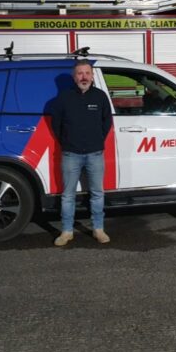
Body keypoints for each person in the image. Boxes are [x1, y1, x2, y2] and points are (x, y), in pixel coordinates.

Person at [50, 59, 113, 246]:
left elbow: (106, 123)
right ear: (74, 76)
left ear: (92, 76)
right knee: (68, 195)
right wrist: (68, 142)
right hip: (71, 154)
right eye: (80, 73)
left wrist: (96, 140)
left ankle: (98, 229)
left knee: (97, 193)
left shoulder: (100, 97)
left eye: (87, 73)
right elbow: (56, 125)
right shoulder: (63, 98)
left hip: (95, 154)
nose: (83, 77)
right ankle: (67, 231)